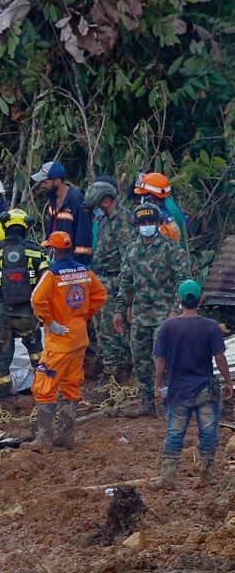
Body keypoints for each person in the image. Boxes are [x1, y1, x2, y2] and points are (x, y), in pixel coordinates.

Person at [148, 280, 233, 490]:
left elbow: (161, 361)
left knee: (175, 434)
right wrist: (229, 383)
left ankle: (167, 479)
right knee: (208, 434)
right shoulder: (211, 326)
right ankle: (206, 476)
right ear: (200, 300)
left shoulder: (168, 326)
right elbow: (221, 358)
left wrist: (158, 384)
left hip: (178, 391)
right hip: (206, 389)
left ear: (179, 300)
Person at [29, 232, 107, 449]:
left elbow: (36, 299)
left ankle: (44, 439)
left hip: (59, 341)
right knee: (71, 386)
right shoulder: (85, 271)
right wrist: (83, 316)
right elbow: (100, 295)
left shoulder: (52, 274)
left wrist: (50, 321)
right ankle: (66, 435)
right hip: (79, 338)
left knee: (44, 387)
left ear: (53, 251)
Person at [114, 203, 190, 416]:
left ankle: (170, 403)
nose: (147, 226)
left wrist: (176, 310)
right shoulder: (131, 249)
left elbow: (183, 281)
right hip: (139, 316)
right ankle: (147, 403)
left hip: (164, 316)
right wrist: (119, 310)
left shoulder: (170, 249)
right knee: (140, 360)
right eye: (143, 223)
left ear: (158, 223)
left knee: (166, 360)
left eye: (151, 222)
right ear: (137, 226)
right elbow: (126, 281)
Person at [0, 209, 49, 406]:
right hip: (27, 311)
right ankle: (44, 388)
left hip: (0, 313)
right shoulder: (36, 250)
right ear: (26, 226)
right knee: (36, 351)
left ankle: (5, 396)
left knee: (1, 354)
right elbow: (47, 281)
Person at [84, 179, 136, 386]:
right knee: (103, 328)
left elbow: (128, 257)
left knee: (111, 328)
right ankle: (113, 367)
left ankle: (112, 374)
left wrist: (125, 288)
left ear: (106, 201)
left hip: (115, 281)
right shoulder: (106, 220)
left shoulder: (123, 221)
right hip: (102, 278)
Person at [31, 161, 94, 265]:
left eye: (45, 182)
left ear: (57, 181)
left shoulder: (76, 200)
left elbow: (84, 235)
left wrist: (77, 263)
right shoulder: (52, 200)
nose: (42, 185)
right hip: (55, 260)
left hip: (72, 262)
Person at [134, 172, 187, 249]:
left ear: (152, 196)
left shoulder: (164, 218)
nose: (142, 198)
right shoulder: (166, 201)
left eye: (144, 195)